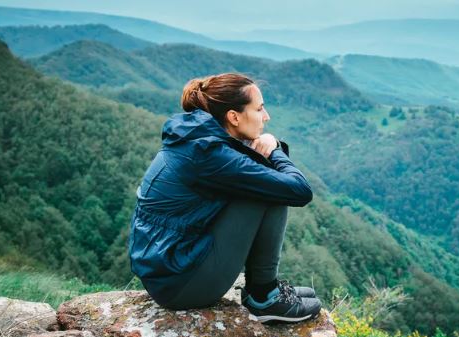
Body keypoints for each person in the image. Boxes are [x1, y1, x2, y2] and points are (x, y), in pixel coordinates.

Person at [128, 72, 322, 324]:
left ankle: (265, 287)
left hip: (168, 269)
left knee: (262, 182)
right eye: (259, 109)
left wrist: (269, 149)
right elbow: (298, 190)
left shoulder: (197, 139)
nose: (266, 117)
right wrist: (273, 150)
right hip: (180, 284)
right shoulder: (209, 155)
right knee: (265, 191)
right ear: (233, 116)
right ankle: (264, 297)